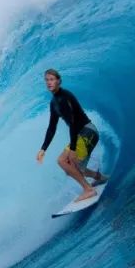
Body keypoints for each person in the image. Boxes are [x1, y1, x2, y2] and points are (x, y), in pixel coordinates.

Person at [36, 68, 108, 201]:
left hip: (87, 132)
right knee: (71, 167)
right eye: (46, 80)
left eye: (52, 79)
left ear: (58, 81)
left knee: (63, 161)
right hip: (82, 134)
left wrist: (73, 148)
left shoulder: (64, 98)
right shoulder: (54, 102)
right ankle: (99, 177)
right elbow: (52, 128)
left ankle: (88, 190)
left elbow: (73, 123)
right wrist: (43, 149)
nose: (49, 83)